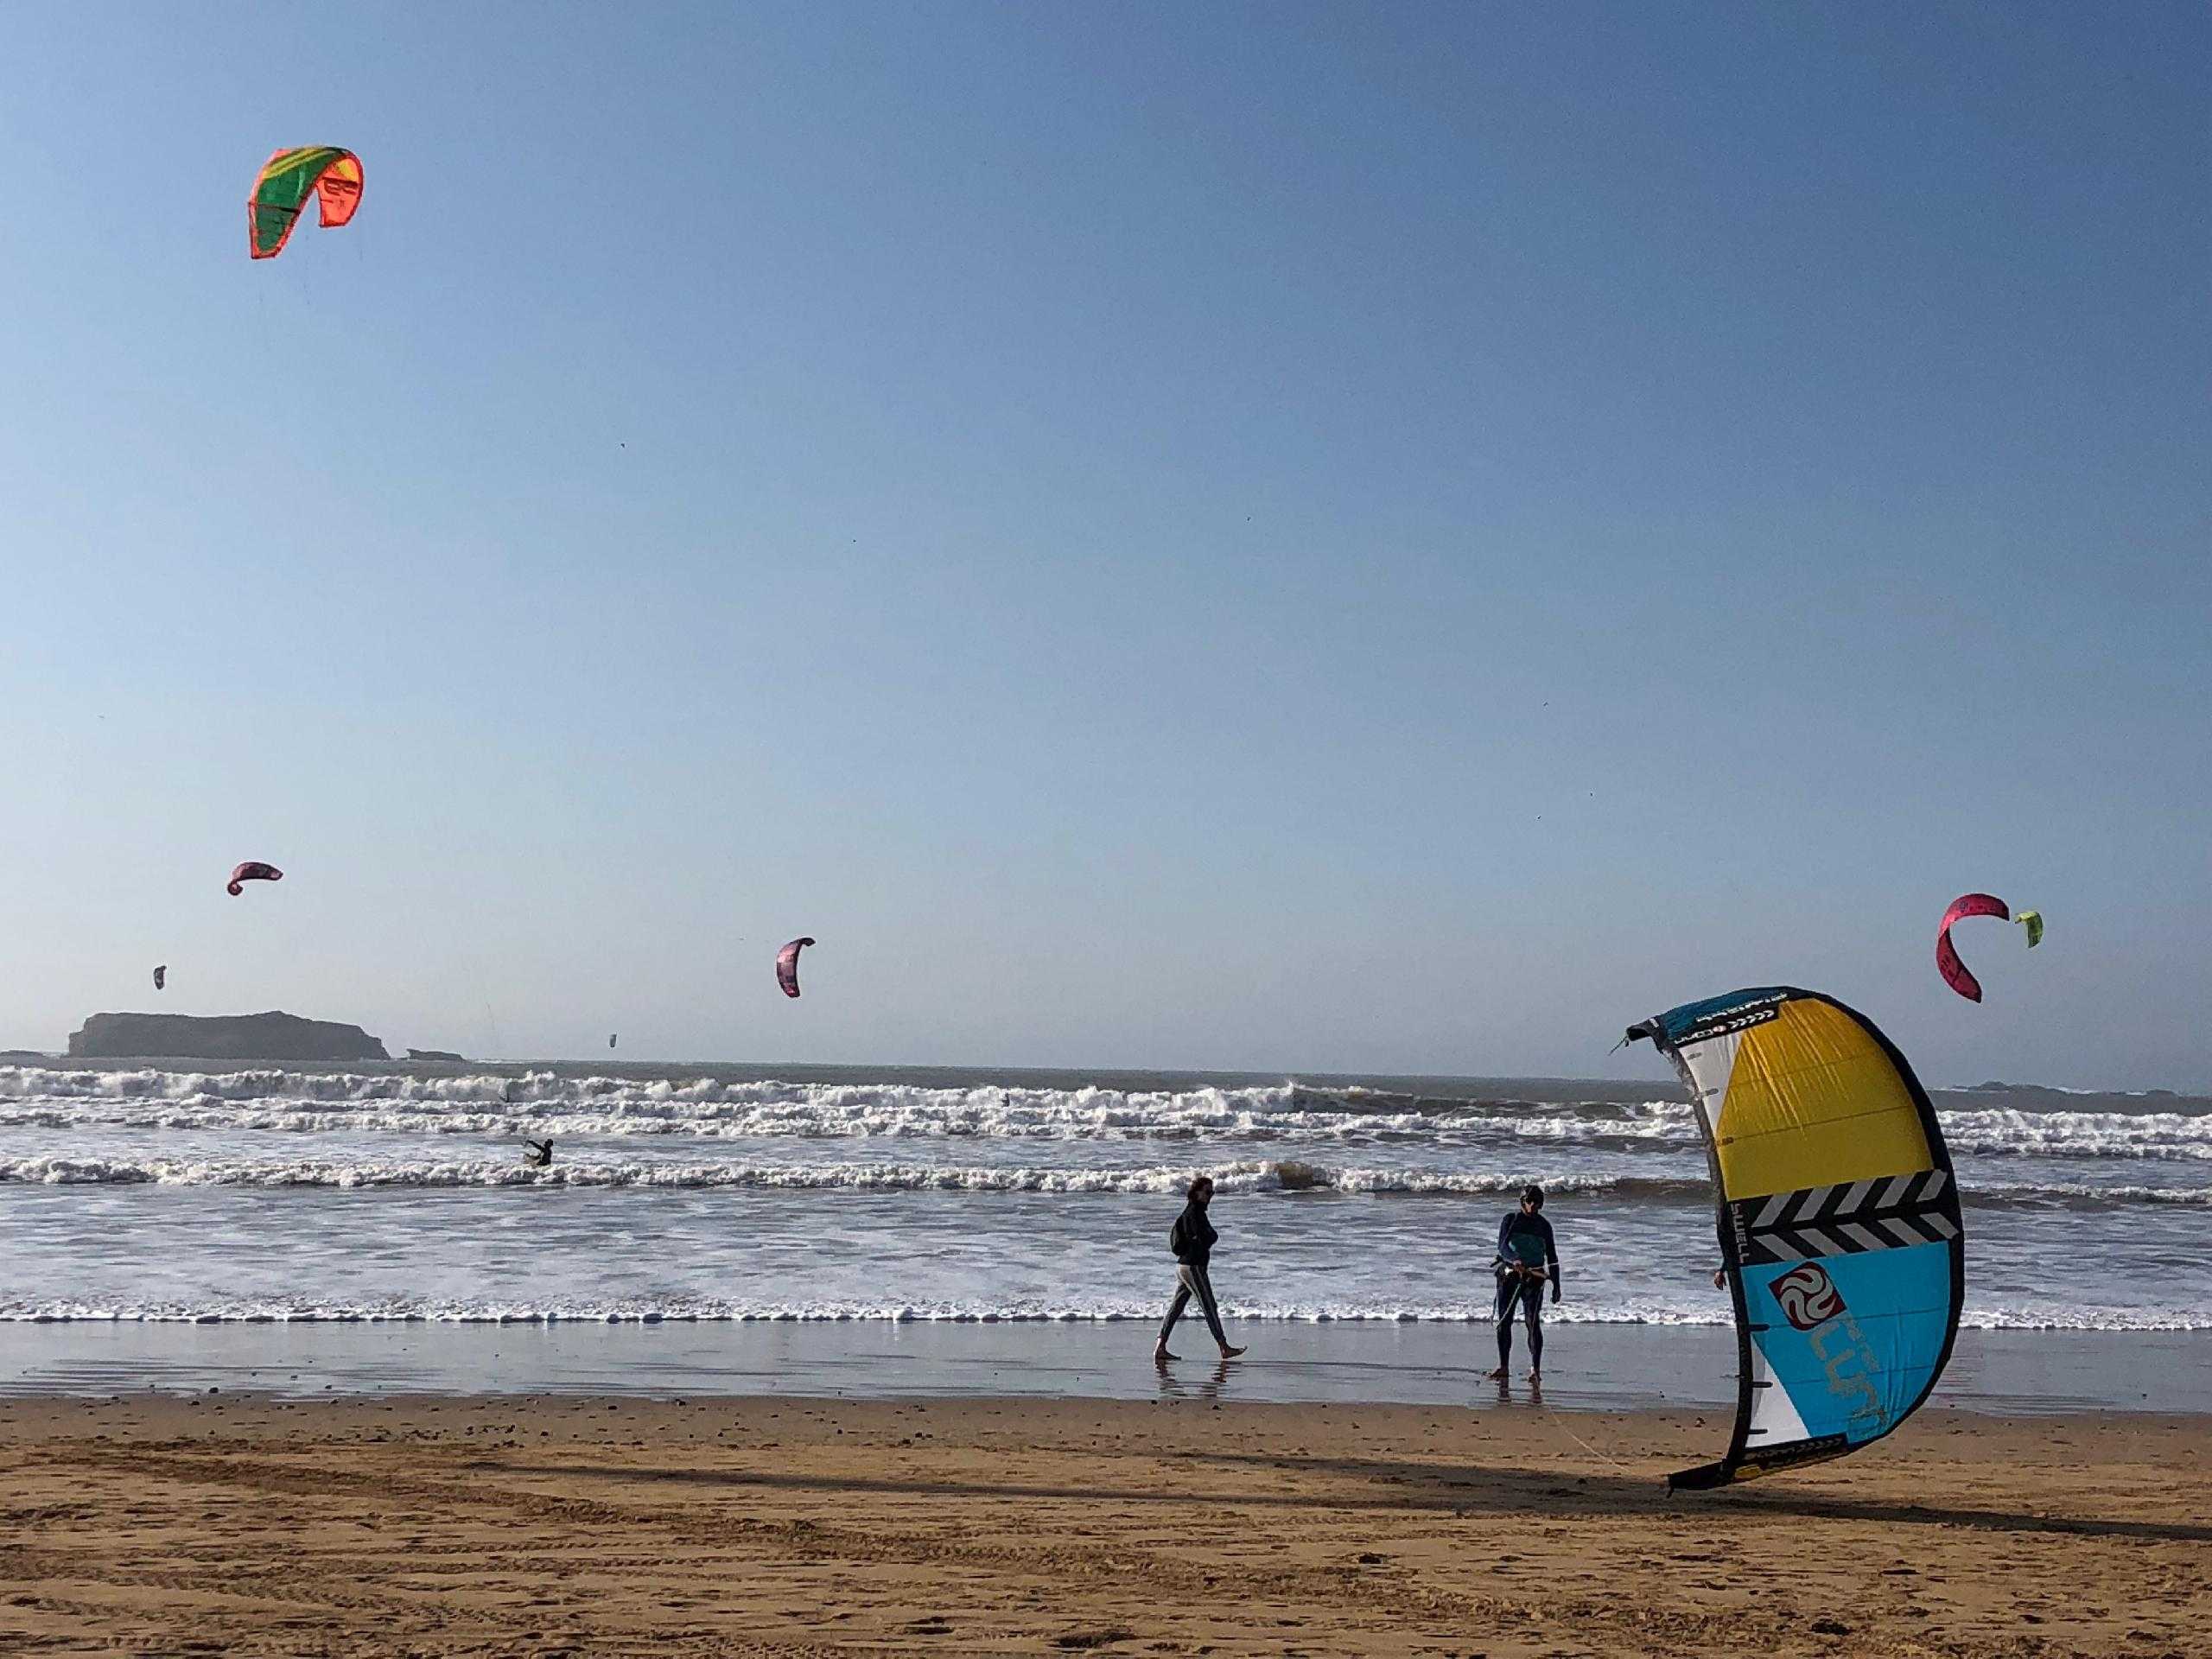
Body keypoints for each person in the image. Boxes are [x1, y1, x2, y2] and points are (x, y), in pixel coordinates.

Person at [1154, 1175, 1246, 1363]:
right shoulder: (1195, 1213)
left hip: (1184, 1266)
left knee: (1177, 1307)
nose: (1210, 1196)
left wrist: (1208, 1237)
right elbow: (1203, 1238)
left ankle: (1160, 1346)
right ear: (1196, 1193)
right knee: (1209, 1305)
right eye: (1207, 1192)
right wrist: (1210, 1237)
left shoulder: (1191, 1212)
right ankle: (1223, 1346)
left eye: (1212, 1192)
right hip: (1193, 1266)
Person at [1486, 1184, 1560, 1381]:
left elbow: (1552, 1258)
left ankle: (1535, 1370)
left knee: (1532, 1322)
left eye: (1537, 1202)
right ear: (1522, 1202)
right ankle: (1503, 1366)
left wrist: (1557, 1286)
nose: (1533, 1205)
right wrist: (1515, 1259)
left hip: (1533, 1278)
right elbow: (1502, 1246)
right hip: (1509, 1276)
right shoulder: (1511, 1220)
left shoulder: (1544, 1226)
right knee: (1504, 1322)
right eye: (1529, 1201)